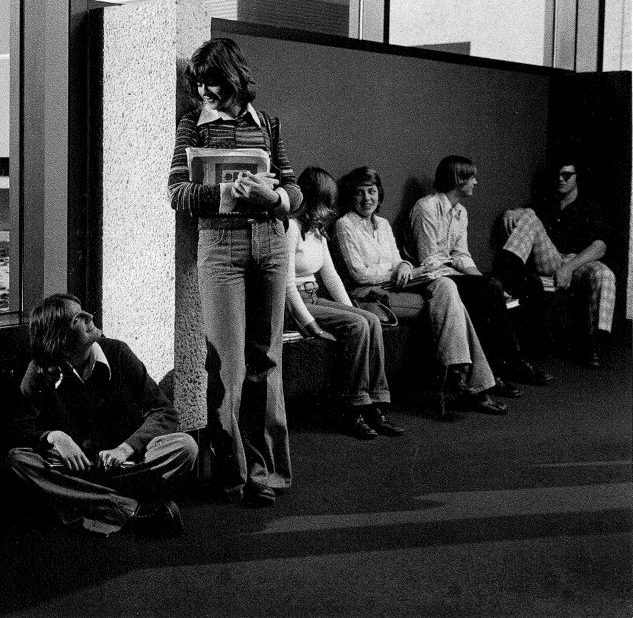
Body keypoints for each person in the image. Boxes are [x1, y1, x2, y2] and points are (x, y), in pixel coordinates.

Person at [168, 37, 301, 507]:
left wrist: (276, 199)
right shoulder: (193, 127)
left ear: (237, 78)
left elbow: (294, 188)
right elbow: (177, 193)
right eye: (198, 82)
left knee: (267, 360)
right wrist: (227, 195)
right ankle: (232, 474)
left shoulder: (269, 123)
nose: (204, 90)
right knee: (226, 365)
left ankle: (268, 473)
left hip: (270, 241)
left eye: (214, 81)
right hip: (219, 246)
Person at [6, 294, 198, 537]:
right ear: (61, 338)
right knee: (18, 459)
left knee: (185, 446)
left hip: (125, 466)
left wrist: (125, 449)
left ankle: (86, 502)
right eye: (79, 318)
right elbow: (17, 429)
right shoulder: (40, 370)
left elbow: (164, 412)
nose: (90, 317)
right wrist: (54, 437)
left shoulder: (117, 353)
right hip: (76, 469)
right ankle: (130, 509)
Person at [333, 166, 506, 415]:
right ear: (351, 196)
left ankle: (457, 372)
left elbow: (396, 259)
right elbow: (360, 274)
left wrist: (404, 265)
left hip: (395, 288)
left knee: (446, 284)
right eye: (359, 193)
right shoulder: (344, 225)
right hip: (369, 295)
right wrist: (396, 271)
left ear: (379, 194)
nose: (367, 199)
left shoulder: (382, 224)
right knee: (446, 306)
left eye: (371, 191)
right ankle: (469, 383)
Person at [407, 155, 552, 395]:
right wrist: (479, 283)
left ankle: (504, 365)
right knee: (487, 290)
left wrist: (480, 279)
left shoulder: (460, 212)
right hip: (430, 278)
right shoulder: (426, 207)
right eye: (471, 176)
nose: (476, 181)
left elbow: (461, 255)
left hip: (451, 272)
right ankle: (509, 365)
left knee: (506, 284)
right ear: (457, 179)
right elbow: (429, 260)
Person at [286, 167, 404, 440]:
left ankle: (373, 405)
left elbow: (332, 277)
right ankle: (352, 409)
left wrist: (353, 309)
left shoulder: (317, 231)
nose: (330, 210)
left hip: (314, 297)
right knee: (358, 325)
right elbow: (287, 285)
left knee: (369, 319)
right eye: (326, 203)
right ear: (312, 200)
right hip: (294, 305)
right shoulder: (291, 229)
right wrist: (311, 325)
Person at [494, 160, 615, 368]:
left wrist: (568, 268)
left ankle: (595, 343)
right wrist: (511, 213)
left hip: (578, 262)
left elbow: (600, 247)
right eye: (558, 175)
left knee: (605, 274)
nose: (561, 179)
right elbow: (524, 216)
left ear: (577, 178)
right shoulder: (544, 203)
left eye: (567, 175)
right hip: (550, 258)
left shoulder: (590, 206)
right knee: (529, 215)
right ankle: (510, 273)